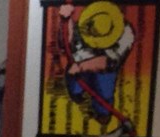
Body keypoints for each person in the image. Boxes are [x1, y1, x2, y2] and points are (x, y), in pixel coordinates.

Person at [58, 0, 135, 130]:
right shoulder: (89, 22)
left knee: (104, 93)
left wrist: (81, 67)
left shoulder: (127, 34)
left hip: (103, 69)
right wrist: (65, 21)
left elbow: (110, 62)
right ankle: (77, 95)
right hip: (80, 63)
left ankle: (103, 115)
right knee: (74, 85)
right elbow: (66, 43)